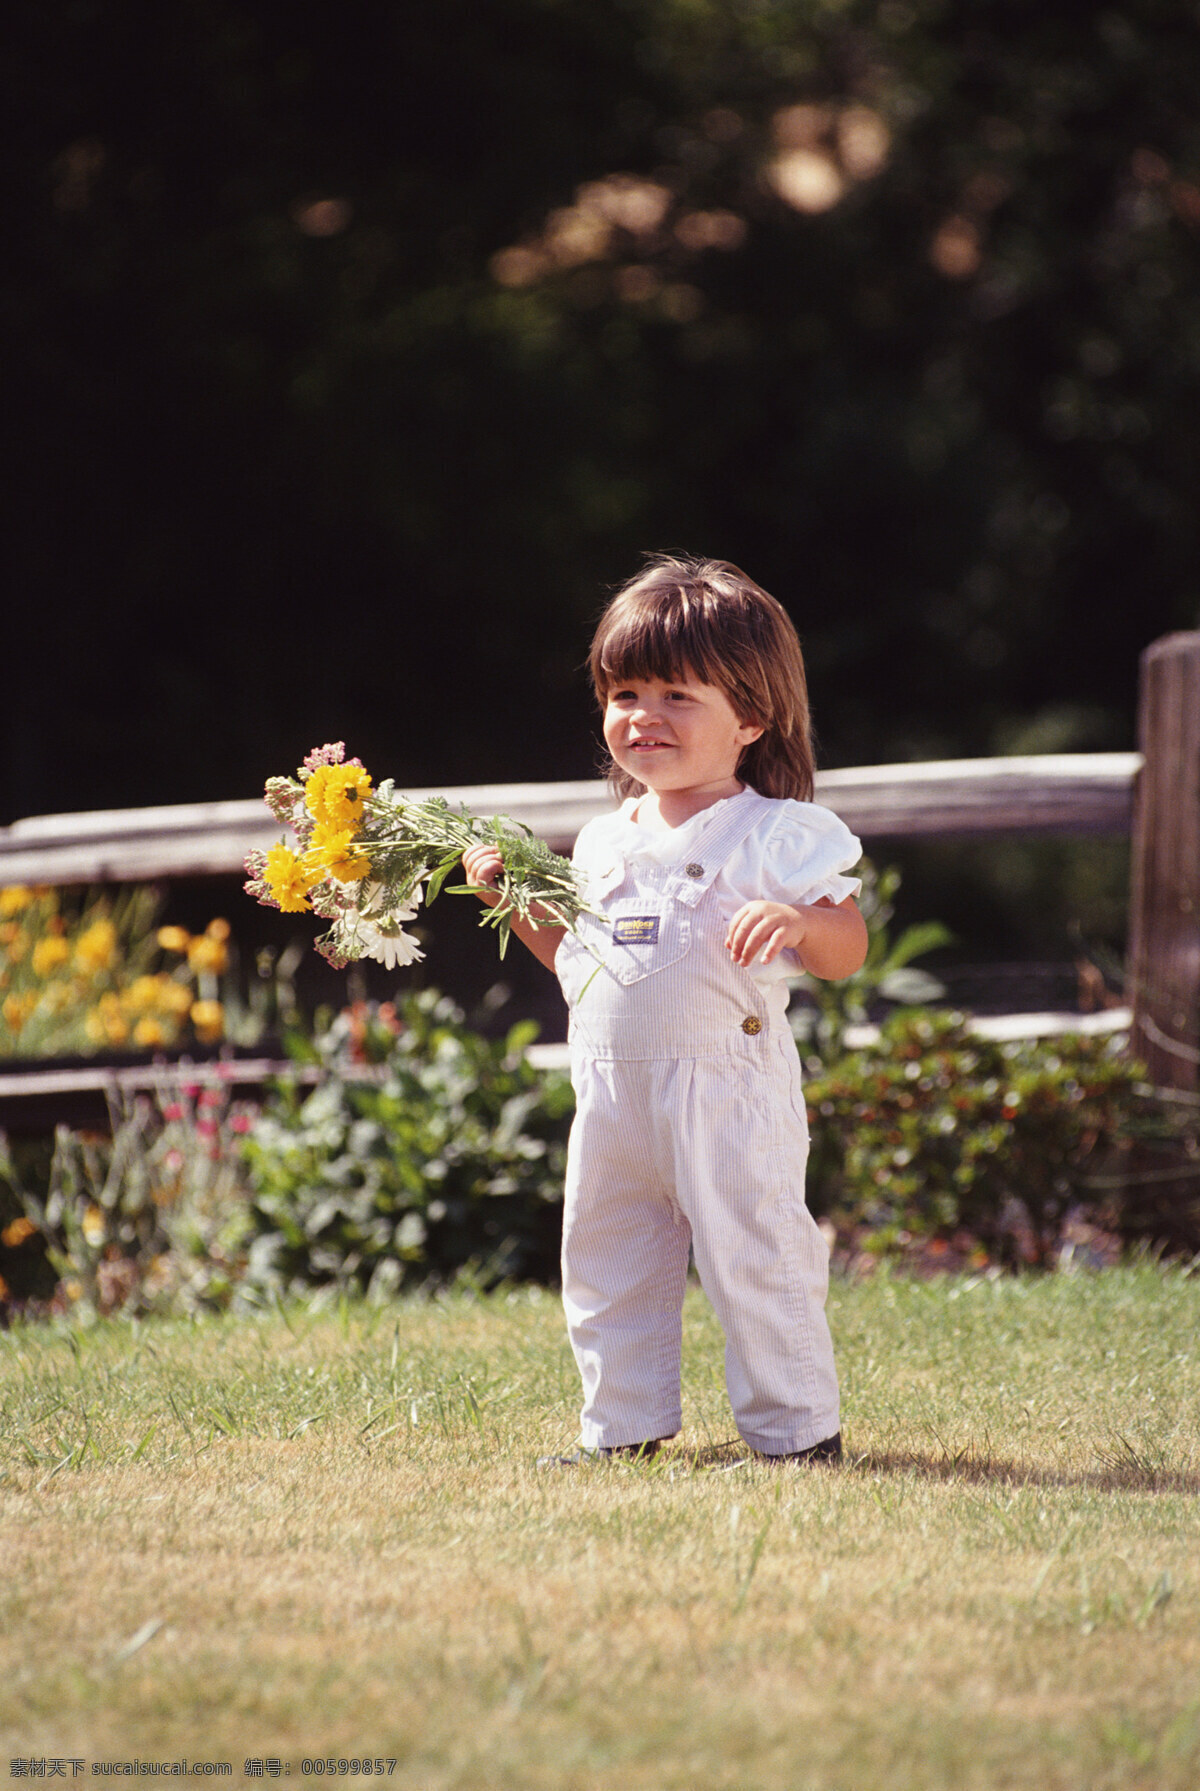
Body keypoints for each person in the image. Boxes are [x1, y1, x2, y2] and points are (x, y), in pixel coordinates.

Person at [462, 555, 867, 1465]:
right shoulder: (606, 840)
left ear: (751, 716)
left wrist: (801, 919)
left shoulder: (772, 832)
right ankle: (623, 1428)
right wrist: (514, 901)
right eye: (625, 693)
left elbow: (848, 947)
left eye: (678, 695)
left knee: (753, 1257)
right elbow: (581, 959)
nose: (644, 716)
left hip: (727, 1090)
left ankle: (797, 1432)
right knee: (606, 1261)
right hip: (612, 1097)